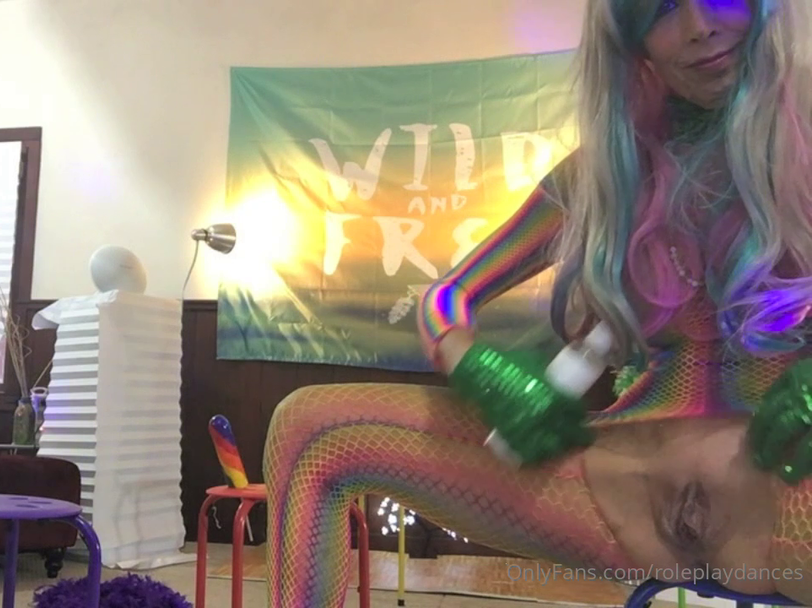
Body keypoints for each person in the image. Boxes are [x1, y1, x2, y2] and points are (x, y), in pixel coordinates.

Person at [262, 1, 812, 606]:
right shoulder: (601, 175)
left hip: (788, 493)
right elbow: (446, 296)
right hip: (617, 490)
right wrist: (477, 368)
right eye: (662, 7)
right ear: (630, 36)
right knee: (311, 431)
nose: (700, 26)